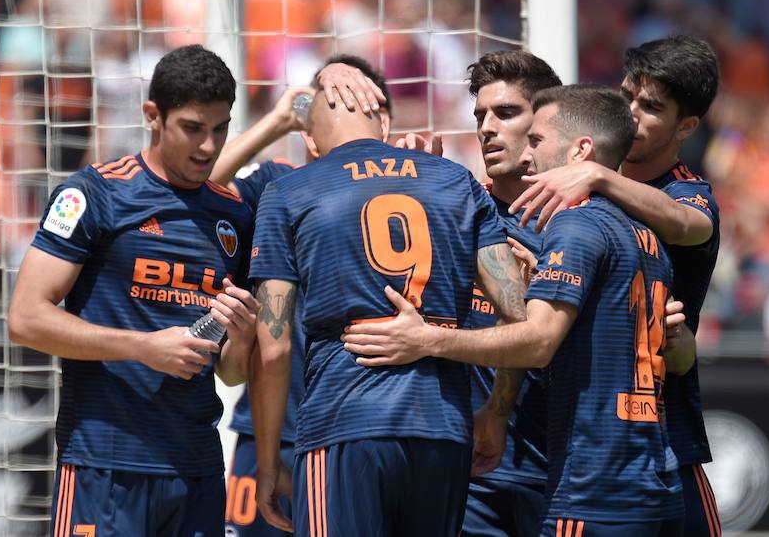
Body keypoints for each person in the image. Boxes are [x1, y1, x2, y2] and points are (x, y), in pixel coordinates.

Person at [342, 84, 695, 536]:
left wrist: (427, 339)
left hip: (596, 487)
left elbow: (539, 342)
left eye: (536, 141)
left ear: (580, 150)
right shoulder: (645, 231)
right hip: (656, 479)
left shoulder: (575, 223)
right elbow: (668, 351)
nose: (526, 155)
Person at [248, 87, 529, 537]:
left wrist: (266, 465)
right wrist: (496, 413)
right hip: (443, 428)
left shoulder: (290, 191)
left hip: (342, 423)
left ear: (312, 143)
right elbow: (519, 316)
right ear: (384, 127)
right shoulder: (457, 181)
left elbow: (274, 348)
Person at [7, 45, 261, 537]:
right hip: (106, 462)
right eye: (192, 127)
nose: (209, 146)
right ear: (153, 116)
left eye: (220, 128)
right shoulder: (95, 194)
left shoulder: (234, 216)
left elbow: (229, 373)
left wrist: (244, 335)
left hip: (197, 467)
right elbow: (25, 319)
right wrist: (143, 348)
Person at [511, 35, 722, 536]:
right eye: (627, 93)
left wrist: (597, 177)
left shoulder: (685, 192)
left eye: (651, 107)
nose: (630, 111)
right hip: (584, 440)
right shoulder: (567, 185)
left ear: (686, 126)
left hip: (667, 438)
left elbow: (692, 225)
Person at [210, 55, 392, 537]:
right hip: (269, 427)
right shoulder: (276, 182)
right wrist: (276, 121)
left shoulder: (407, 189)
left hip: (352, 430)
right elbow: (201, 190)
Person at [460, 50, 560, 537]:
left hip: (564, 471)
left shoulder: (582, 225)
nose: (486, 128)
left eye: (505, 113)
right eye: (480, 115)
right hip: (472, 474)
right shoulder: (455, 214)